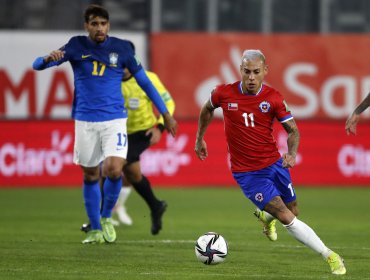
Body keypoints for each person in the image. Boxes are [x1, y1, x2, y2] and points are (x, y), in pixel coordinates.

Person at [32, 4, 177, 244]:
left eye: (103, 23)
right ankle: (96, 229)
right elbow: (37, 66)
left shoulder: (121, 49)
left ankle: (107, 216)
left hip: (114, 121)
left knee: (114, 169)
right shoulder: (76, 45)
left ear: (108, 25)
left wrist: (165, 115)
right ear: (86, 26)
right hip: (85, 120)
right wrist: (47, 58)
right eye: (94, 24)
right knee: (90, 175)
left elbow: (146, 83)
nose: (99, 28)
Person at [194, 49, 346, 275]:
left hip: (274, 164)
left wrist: (292, 153)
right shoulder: (223, 93)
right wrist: (199, 138)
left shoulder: (273, 98)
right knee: (286, 216)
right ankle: (331, 256)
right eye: (247, 72)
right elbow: (207, 109)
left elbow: (293, 131)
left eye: (256, 72)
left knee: (294, 210)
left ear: (265, 71)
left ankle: (265, 216)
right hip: (247, 173)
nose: (251, 77)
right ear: (241, 70)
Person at [81, 67, 175, 235]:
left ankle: (100, 220)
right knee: (133, 174)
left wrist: (159, 128)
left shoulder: (148, 78)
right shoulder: (111, 79)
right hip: (118, 132)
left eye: (126, 63)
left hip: (142, 132)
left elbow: (168, 102)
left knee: (110, 167)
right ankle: (156, 205)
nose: (122, 67)